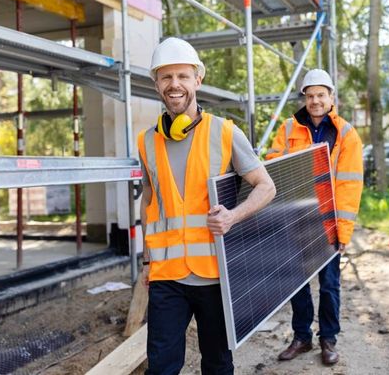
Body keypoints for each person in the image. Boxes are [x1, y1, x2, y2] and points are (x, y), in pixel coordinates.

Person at [137, 37, 276, 375]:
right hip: (166, 278)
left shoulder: (225, 133)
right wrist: (145, 260)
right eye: (166, 77)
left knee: (217, 365)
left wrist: (233, 216)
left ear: (197, 80)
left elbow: (266, 186)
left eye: (183, 76)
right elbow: (149, 199)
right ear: (156, 84)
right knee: (160, 367)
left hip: (215, 276)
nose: (175, 85)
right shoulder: (147, 141)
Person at [266, 69, 363, 366]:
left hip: (328, 222)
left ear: (331, 97)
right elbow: (272, 166)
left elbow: (349, 185)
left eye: (321, 95)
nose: (315, 101)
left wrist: (343, 232)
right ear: (305, 99)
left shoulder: (346, 134)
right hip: (296, 219)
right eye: (310, 96)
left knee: (330, 284)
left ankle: (328, 339)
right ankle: (302, 337)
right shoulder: (288, 129)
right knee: (297, 282)